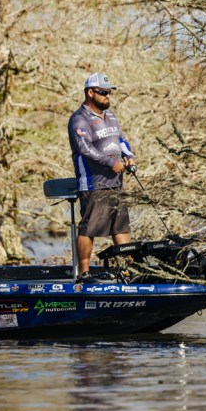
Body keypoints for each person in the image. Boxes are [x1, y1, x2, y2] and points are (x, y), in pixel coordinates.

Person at [67, 73, 137, 281]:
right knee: (88, 228)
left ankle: (128, 270)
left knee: (121, 227)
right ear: (90, 92)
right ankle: (84, 273)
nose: (108, 96)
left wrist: (129, 157)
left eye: (109, 92)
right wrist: (111, 163)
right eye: (103, 92)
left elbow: (121, 140)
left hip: (116, 183)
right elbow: (85, 148)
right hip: (93, 184)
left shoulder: (111, 116)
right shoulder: (80, 118)